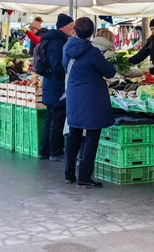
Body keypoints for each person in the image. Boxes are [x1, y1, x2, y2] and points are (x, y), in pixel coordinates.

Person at [62, 18, 116, 188]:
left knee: (74, 134)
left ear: (75, 31)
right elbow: (110, 71)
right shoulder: (92, 52)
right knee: (92, 135)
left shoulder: (66, 48)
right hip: (92, 97)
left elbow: (65, 66)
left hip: (73, 94)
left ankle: (69, 173)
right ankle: (85, 176)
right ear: (92, 33)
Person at [38, 13, 74, 161]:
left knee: (51, 118)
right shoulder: (57, 42)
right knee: (57, 119)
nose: (73, 29)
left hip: (50, 84)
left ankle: (44, 151)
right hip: (56, 86)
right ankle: (55, 152)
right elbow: (57, 66)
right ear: (63, 27)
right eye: (71, 26)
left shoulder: (54, 39)